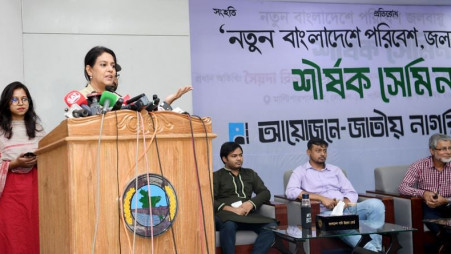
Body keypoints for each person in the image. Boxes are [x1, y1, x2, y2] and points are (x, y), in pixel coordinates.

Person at [285, 137, 385, 252]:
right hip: (324, 213)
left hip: (346, 209)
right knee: (339, 221)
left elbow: (351, 192)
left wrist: (343, 204)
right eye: (318, 150)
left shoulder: (335, 170)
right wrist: (321, 198)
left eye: (325, 151)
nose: (322, 154)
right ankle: (373, 251)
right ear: (308, 152)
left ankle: (376, 247)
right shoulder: (300, 171)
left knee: (376, 205)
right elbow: (291, 191)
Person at [0, 81, 46, 253]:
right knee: (12, 233)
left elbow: (48, 154)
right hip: (9, 190)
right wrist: (14, 164)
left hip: (34, 189)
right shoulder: (0, 131)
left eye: (24, 99)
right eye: (15, 100)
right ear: (6, 103)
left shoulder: (39, 129)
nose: (20, 103)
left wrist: (39, 159)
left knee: (33, 232)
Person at [214, 142, 277, 254]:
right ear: (224, 159)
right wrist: (232, 209)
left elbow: (265, 192)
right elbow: (209, 200)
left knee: (271, 226)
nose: (239, 159)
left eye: (240, 155)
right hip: (226, 215)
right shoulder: (216, 176)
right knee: (229, 225)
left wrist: (251, 204)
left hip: (247, 214)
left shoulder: (250, 173)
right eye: (234, 156)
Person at [80, 46, 192, 109]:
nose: (110, 69)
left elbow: (144, 118)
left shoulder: (118, 99)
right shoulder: (80, 99)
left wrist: (167, 102)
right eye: (103, 65)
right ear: (89, 70)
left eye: (113, 66)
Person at [399, 133, 451, 235]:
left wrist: (446, 200)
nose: (448, 152)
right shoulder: (419, 165)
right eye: (443, 149)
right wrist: (424, 193)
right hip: (431, 207)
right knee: (430, 218)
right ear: (432, 150)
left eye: (450, 148)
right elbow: (403, 187)